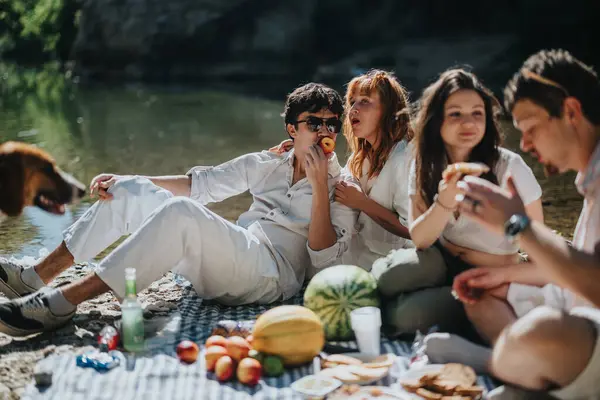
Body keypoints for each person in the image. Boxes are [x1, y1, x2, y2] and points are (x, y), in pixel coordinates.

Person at [0, 83, 356, 336]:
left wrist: (320, 186)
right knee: (128, 192)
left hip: (271, 277)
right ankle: (35, 277)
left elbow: (324, 262)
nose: (325, 131)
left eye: (331, 123)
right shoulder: (268, 163)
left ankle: (61, 303)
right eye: (314, 122)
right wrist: (130, 177)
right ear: (292, 129)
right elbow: (201, 185)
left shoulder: (341, 186)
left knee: (182, 214)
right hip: (234, 254)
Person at [445, 49, 600, 399]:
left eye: (530, 129)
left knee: (542, 332)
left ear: (571, 112)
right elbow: (581, 267)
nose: (526, 145)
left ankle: (493, 362)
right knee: (482, 292)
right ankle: (525, 366)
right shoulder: (589, 180)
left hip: (588, 322)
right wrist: (503, 275)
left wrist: (517, 225)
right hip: (579, 309)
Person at [371, 68, 544, 336]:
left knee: (400, 318)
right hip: (440, 260)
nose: (468, 123)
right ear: (436, 120)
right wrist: (444, 202)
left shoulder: (510, 168)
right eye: (456, 114)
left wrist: (502, 280)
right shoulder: (424, 165)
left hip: (488, 277)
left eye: (477, 113)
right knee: (386, 280)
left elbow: (541, 256)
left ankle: (446, 308)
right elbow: (420, 239)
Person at [270, 70, 415, 270]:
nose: (353, 109)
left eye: (364, 101)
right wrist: (301, 147)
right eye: (352, 101)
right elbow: (336, 181)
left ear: (389, 110)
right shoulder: (361, 157)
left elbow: (414, 230)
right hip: (358, 255)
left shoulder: (404, 159)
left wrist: (362, 202)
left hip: (395, 262)